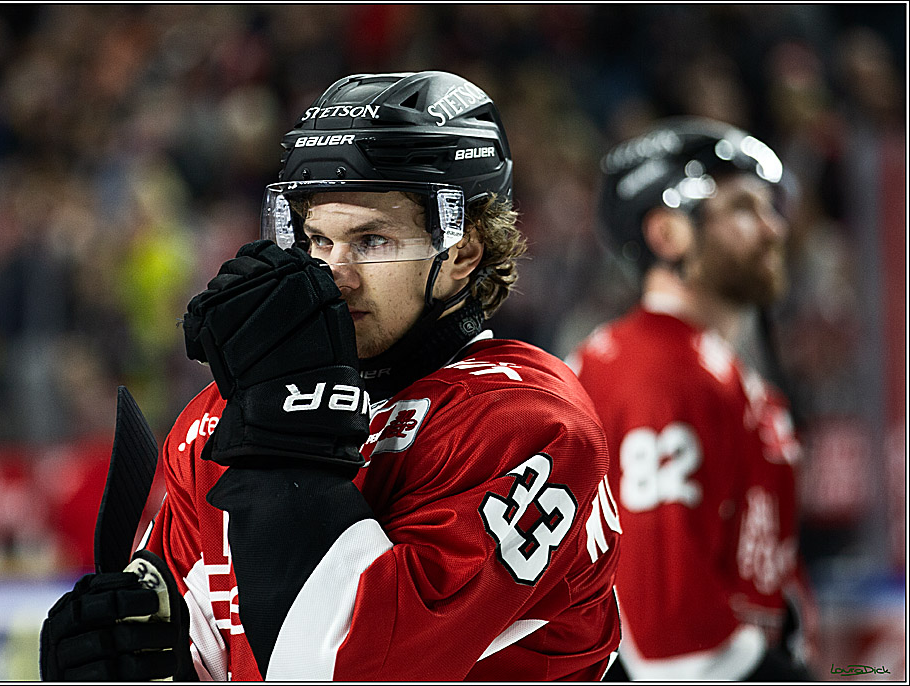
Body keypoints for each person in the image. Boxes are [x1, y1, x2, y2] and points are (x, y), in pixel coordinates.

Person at [40, 70, 622, 681]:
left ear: (462, 252)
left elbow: (349, 667)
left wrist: (284, 445)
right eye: (317, 239)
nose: (334, 274)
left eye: (372, 241)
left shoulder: (526, 421)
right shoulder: (222, 413)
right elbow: (206, 652)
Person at [569, 118, 815, 680]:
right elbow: (669, 638)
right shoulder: (657, 374)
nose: (774, 230)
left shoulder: (707, 366)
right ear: (667, 235)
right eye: (744, 209)